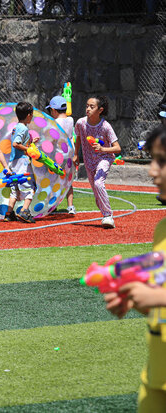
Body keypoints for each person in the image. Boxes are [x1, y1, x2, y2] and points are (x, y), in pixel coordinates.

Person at [103, 126, 166, 412]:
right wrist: (135, 295)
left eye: (162, 162)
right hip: (156, 377)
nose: (152, 171)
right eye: (153, 160)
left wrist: (157, 299)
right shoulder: (162, 228)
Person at [73, 96, 121, 228]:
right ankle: (105, 213)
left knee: (99, 183)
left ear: (100, 110)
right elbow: (77, 137)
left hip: (104, 158)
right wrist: (76, 154)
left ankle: (108, 216)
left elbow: (117, 148)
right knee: (96, 191)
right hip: (89, 161)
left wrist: (102, 149)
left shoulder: (106, 126)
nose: (88, 109)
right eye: (87, 106)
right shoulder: (81, 123)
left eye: (91, 107)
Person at [4, 102, 37, 224]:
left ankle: (9, 213)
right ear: (29, 115)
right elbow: (16, 144)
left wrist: (31, 142)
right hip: (21, 163)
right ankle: (24, 211)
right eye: (32, 114)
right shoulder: (23, 128)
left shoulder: (16, 127)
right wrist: (28, 149)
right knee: (30, 187)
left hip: (13, 162)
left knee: (15, 188)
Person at [46, 95, 76, 215]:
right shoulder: (71, 120)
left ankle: (53, 207)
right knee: (69, 182)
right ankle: (70, 206)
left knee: (54, 182)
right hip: (69, 155)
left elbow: (51, 140)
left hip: (58, 155)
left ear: (53, 110)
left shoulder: (55, 123)